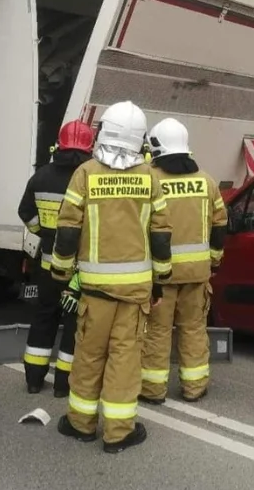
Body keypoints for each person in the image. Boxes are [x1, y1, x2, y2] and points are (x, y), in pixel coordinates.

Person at [50, 101, 172, 453]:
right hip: (135, 294)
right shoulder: (150, 177)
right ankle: (118, 433)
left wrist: (60, 272)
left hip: (95, 292)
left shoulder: (85, 173)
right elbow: (161, 234)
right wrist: (159, 282)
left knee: (88, 356)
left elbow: (68, 230)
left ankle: (80, 424)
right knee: (125, 361)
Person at [139, 118, 228, 404]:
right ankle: (194, 387)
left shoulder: (151, 179)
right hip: (198, 275)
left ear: (156, 147)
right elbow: (220, 226)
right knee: (193, 330)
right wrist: (214, 262)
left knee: (157, 332)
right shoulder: (206, 181)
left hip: (161, 276)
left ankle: (152, 390)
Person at [16, 120, 95, 396]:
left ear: (59, 145)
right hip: (79, 271)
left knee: (44, 318)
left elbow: (25, 212)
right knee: (74, 325)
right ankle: (64, 385)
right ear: (89, 146)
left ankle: (34, 380)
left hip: (48, 264)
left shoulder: (41, 176)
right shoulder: (90, 178)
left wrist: (45, 234)